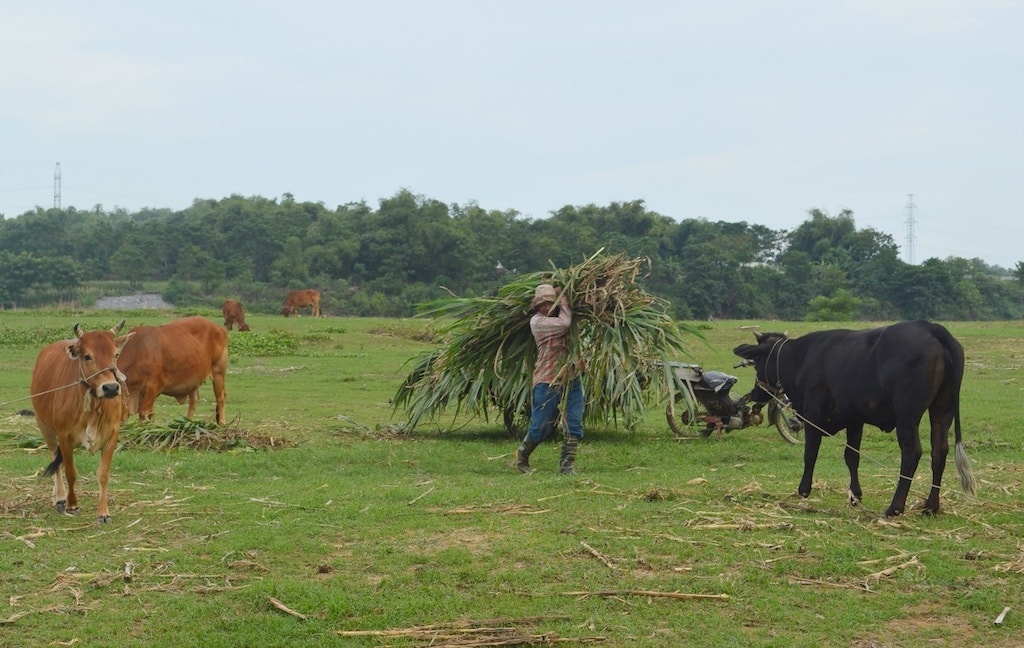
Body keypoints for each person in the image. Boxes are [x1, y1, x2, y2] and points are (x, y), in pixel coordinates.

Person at [514, 283, 584, 474]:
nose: (546, 307)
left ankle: (567, 466)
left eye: (549, 303)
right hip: (548, 379)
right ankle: (522, 456)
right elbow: (564, 323)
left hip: (571, 376)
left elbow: (573, 327)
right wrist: (563, 298)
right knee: (542, 425)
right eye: (542, 304)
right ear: (536, 307)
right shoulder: (537, 322)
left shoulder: (565, 314)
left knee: (574, 421)